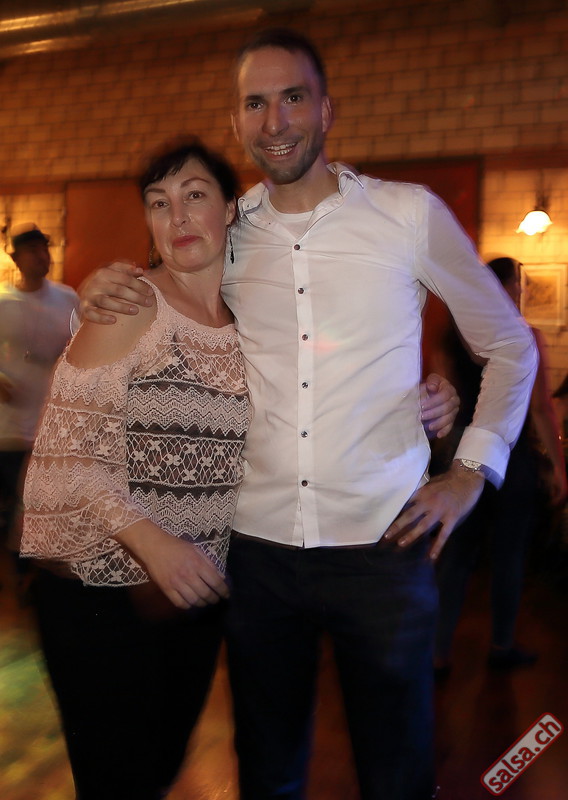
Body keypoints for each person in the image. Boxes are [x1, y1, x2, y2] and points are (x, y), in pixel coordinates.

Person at [77, 28, 537, 800]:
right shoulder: (226, 235)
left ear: (326, 109)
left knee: (397, 775)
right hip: (255, 554)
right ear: (236, 122)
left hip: (384, 546)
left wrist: (469, 472)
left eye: (293, 98)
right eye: (256, 104)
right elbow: (157, 300)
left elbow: (511, 345)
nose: (276, 121)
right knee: (268, 773)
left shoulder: (406, 215)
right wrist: (99, 287)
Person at [20, 140, 251, 800]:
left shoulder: (250, 322)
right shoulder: (132, 305)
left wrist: (424, 400)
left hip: (190, 595)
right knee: (119, 783)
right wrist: (154, 543)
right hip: (100, 597)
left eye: (195, 195)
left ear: (230, 210)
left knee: (157, 773)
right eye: (159, 202)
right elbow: (63, 458)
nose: (177, 216)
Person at [433, 256, 567, 675]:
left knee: (457, 555)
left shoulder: (452, 335)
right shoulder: (524, 336)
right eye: (518, 285)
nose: (521, 292)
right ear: (506, 287)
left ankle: (437, 654)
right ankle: (502, 645)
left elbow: (443, 407)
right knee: (509, 555)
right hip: (511, 456)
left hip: (463, 457)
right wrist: (559, 467)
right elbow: (541, 409)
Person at [0, 223, 78, 573]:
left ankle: (32, 578)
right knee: (13, 506)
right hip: (8, 428)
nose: (41, 256)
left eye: (44, 248)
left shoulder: (67, 298)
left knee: (38, 508)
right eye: (32, 250)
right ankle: (17, 576)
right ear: (16, 258)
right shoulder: (4, 301)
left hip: (51, 427)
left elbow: (83, 346)